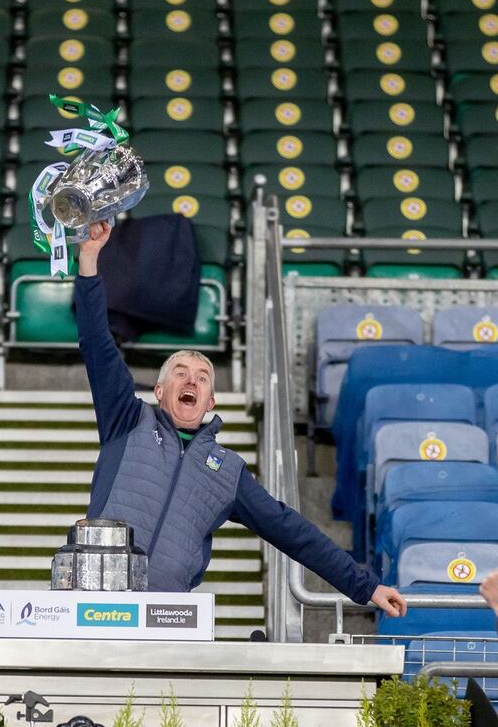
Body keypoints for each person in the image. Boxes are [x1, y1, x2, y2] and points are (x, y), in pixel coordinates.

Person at [73, 220, 407, 618]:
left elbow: (292, 532)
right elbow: (97, 343)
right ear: (159, 391)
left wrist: (365, 586)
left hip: (163, 616)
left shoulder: (227, 471)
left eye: (202, 377)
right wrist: (89, 260)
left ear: (210, 401)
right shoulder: (126, 420)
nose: (191, 380)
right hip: (93, 600)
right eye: (180, 372)